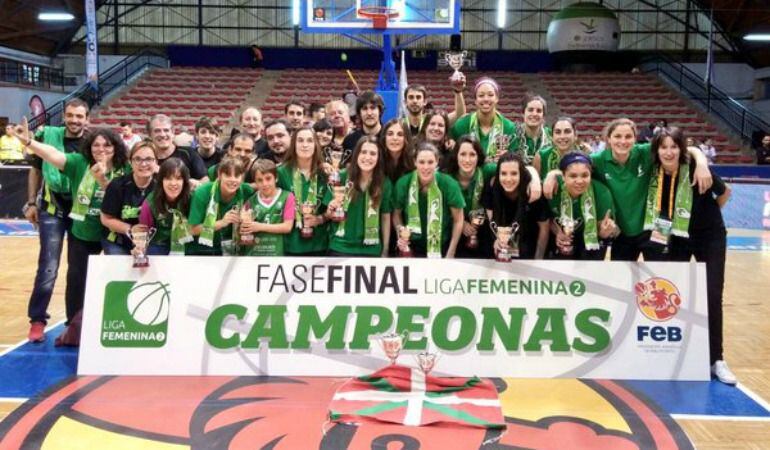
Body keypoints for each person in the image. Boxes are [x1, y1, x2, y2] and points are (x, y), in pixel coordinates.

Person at [15, 123, 129, 344]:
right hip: (83, 232)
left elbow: (121, 196)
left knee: (116, 277)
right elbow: (53, 154)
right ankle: (74, 327)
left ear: (115, 147)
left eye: (107, 145)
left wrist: (103, 179)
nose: (101, 149)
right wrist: (29, 142)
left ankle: (117, 323)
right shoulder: (79, 162)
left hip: (113, 233)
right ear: (89, 147)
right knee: (76, 279)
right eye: (96, 145)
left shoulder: (125, 168)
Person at [545, 118, 712, 261]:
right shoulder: (598, 160)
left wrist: (701, 163)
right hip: (621, 234)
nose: (623, 141)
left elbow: (684, 148)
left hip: (652, 230)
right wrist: (553, 174)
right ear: (608, 139)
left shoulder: (645, 152)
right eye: (617, 136)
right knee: (621, 282)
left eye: (628, 136)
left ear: (635, 138)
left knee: (660, 278)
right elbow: (573, 167)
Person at [647, 127, 735, 384]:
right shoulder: (654, 175)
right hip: (677, 238)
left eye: (674, 147)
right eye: (664, 147)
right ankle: (678, 355)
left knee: (712, 295)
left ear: (681, 149)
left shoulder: (696, 167)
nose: (669, 152)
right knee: (673, 296)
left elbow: (725, 192)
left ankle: (716, 359)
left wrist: (709, 215)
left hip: (710, 237)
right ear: (657, 151)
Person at [20, 98, 89, 342]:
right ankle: (37, 320)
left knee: (78, 270)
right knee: (48, 266)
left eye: (79, 116)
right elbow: (36, 169)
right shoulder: (48, 136)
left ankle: (74, 322)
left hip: (81, 210)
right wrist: (31, 202)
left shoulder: (92, 143)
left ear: (87, 119)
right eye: (70, 115)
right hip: (52, 208)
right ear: (64, 116)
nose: (74, 120)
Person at [392, 142, 465, 258]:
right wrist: (401, 235)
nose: (426, 167)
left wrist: (451, 253)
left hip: (442, 247)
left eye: (430, 162)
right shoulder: (403, 183)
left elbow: (458, 220)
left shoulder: (449, 184)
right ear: (415, 162)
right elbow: (396, 214)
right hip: (411, 246)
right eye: (421, 162)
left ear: (437, 162)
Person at [324, 136, 392, 257]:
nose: (367, 157)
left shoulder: (384, 183)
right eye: (363, 152)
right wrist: (331, 209)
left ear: (379, 158)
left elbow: (385, 217)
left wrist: (385, 249)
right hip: (340, 247)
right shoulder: (340, 176)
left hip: (371, 249)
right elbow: (328, 214)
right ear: (356, 155)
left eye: (373, 154)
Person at [547, 152, 617, 260]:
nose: (579, 181)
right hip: (562, 240)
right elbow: (547, 219)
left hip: (590, 241)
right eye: (573, 176)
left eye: (585, 175)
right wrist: (557, 232)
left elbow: (604, 228)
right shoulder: (552, 189)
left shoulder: (601, 192)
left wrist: (604, 232)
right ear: (563, 176)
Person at [483, 153, 550, 260]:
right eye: (503, 173)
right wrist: (497, 239)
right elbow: (492, 221)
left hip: (528, 247)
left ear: (521, 174)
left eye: (514, 173)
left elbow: (544, 228)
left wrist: (538, 259)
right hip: (498, 249)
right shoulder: (491, 186)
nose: (508, 179)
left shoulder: (533, 191)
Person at [277, 126, 329, 256]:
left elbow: (334, 208)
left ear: (316, 145)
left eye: (309, 140)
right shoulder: (281, 172)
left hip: (320, 244)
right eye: (300, 140)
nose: (305, 145)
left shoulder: (325, 173)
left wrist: (320, 219)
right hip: (290, 244)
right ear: (293, 145)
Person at [100, 141, 159, 254]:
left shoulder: (162, 186)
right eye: (138, 159)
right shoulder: (117, 185)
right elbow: (105, 219)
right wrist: (131, 229)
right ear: (130, 162)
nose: (143, 164)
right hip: (118, 240)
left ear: (156, 162)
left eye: (148, 159)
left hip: (151, 241)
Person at [188, 157, 254, 256]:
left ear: (242, 178)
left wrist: (246, 220)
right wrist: (222, 222)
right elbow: (193, 230)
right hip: (201, 250)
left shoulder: (246, 191)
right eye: (228, 175)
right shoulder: (202, 193)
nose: (232, 180)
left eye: (237, 176)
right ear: (219, 175)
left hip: (232, 249)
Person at [444, 135, 496, 258]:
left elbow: (515, 166)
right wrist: (461, 223)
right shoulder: (446, 177)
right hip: (452, 230)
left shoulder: (486, 171)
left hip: (481, 232)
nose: (467, 160)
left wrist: (534, 179)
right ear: (456, 156)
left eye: (472, 155)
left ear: (479, 157)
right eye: (463, 154)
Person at [451, 77, 516, 161]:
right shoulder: (463, 124)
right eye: (481, 95)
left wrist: (509, 156)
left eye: (490, 95)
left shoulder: (509, 127)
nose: (486, 99)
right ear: (475, 100)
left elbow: (516, 160)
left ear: (497, 98)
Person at [239, 159, 295, 256]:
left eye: (268, 178)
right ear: (255, 182)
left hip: (276, 254)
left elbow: (287, 227)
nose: (264, 184)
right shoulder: (250, 201)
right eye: (260, 180)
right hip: (253, 254)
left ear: (276, 178)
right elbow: (243, 228)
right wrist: (243, 229)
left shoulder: (287, 197)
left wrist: (259, 226)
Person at [139, 157, 194, 255]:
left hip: (187, 241)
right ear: (161, 181)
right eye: (168, 178)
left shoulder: (193, 198)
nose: (173, 183)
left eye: (178, 178)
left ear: (185, 181)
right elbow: (144, 232)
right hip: (160, 244)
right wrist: (139, 248)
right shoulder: (150, 202)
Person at [147, 114, 207, 185]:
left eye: (166, 130)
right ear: (150, 134)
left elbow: (205, 180)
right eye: (157, 131)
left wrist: (194, 184)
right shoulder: (145, 161)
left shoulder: (188, 153)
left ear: (173, 132)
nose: (162, 134)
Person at [511, 93, 552, 163]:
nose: (534, 114)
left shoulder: (551, 135)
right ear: (523, 113)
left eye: (539, 111)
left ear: (543, 116)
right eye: (530, 110)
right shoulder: (512, 135)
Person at [380, 118, 415, 183]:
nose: (395, 138)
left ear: (406, 138)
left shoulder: (414, 161)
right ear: (384, 138)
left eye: (400, 134)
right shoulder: (377, 160)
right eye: (390, 134)